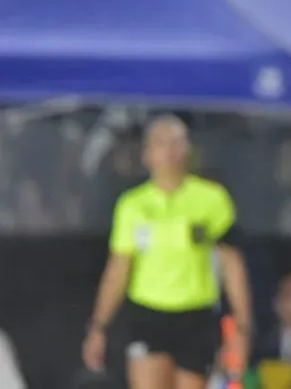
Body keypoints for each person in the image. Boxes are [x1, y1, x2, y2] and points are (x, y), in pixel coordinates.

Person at [82, 114, 252, 389]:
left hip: (196, 315)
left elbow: (232, 265)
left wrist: (242, 328)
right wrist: (99, 326)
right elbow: (118, 268)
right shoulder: (133, 205)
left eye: (177, 142)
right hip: (148, 314)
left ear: (188, 149)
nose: (170, 151)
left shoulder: (212, 199)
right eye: (161, 143)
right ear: (147, 153)